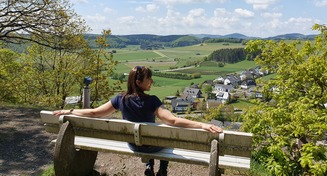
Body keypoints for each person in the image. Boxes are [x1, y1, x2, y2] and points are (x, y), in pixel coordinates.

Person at [53, 66, 223, 176]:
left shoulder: (120, 99)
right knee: (166, 135)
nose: (152, 81)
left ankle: (149, 166)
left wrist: (70, 111)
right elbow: (172, 121)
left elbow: (95, 113)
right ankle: (162, 169)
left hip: (133, 144)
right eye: (149, 79)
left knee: (149, 133)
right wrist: (202, 124)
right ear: (138, 82)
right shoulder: (153, 101)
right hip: (154, 145)